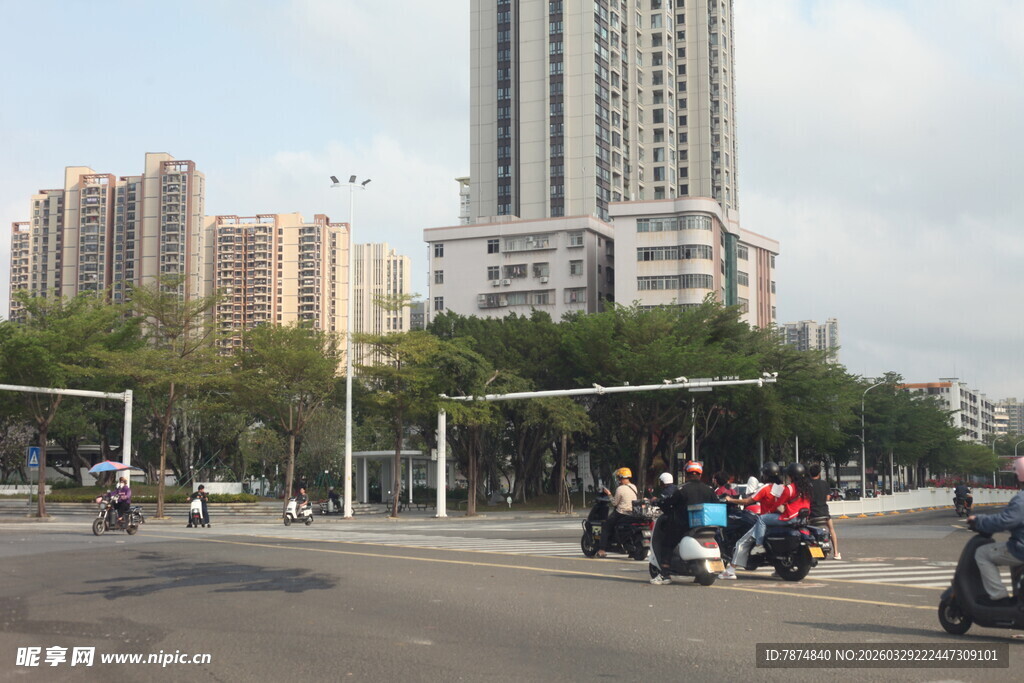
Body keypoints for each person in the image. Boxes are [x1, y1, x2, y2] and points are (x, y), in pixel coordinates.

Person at [967, 456, 1024, 606]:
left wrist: (978, 520)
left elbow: (1005, 521)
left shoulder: (1021, 500)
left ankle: (999, 596)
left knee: (982, 553)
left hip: (1021, 549)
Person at [650, 461, 718, 585]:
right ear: (700, 475)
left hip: (683, 526)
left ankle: (665, 574)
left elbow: (669, 503)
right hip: (705, 526)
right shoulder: (709, 490)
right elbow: (717, 505)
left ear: (686, 474)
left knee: (667, 544)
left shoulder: (682, 489)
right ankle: (699, 573)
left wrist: (659, 502)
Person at [719, 462, 785, 579]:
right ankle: (779, 570)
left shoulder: (765, 488)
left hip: (766, 521)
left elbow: (747, 501)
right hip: (778, 521)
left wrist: (730, 499)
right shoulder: (782, 488)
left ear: (766, 475)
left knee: (742, 543)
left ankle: (730, 570)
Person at [596, 467, 638, 558]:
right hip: (632, 513)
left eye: (619, 477)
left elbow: (615, 503)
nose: (618, 479)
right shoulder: (634, 487)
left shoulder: (620, 489)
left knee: (606, 526)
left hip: (621, 513)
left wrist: (609, 494)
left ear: (621, 478)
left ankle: (602, 549)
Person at [808, 463, 841, 560]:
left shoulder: (807, 484)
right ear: (819, 473)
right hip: (824, 514)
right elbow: (828, 497)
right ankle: (836, 553)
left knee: (809, 532)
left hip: (812, 515)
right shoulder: (824, 484)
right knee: (831, 530)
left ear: (810, 473)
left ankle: (816, 553)